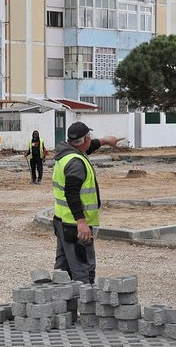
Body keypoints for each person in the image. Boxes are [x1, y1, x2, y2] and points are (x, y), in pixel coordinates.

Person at [51, 121, 124, 284]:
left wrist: (106, 141)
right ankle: (85, 300)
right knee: (83, 271)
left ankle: (59, 299)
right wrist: (82, 222)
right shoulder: (76, 163)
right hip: (74, 226)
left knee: (63, 270)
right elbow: (71, 194)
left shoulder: (66, 153)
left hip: (62, 220)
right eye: (89, 137)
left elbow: (88, 147)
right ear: (86, 138)